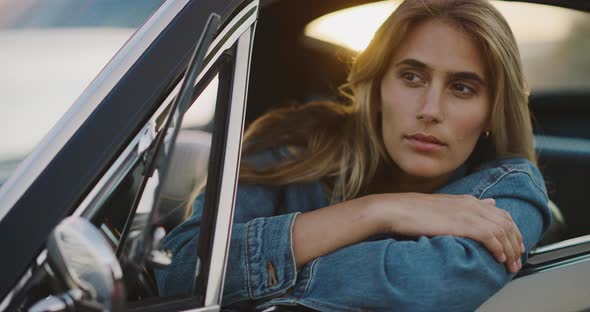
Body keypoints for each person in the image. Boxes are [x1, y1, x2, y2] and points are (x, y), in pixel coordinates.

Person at [156, 0, 552, 311]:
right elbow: (181, 271)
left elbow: (422, 290)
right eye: (411, 77)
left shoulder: (511, 189)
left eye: (462, 87)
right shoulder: (289, 143)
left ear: (491, 113)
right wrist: (379, 210)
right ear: (378, 87)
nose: (430, 109)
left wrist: (252, 287)